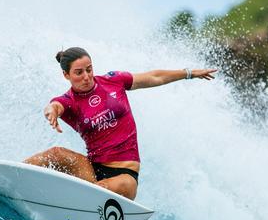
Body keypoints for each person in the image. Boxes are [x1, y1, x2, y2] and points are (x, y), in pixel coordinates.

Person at [24, 47, 216, 200]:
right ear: (66, 75)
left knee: (99, 190)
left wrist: (188, 73)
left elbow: (153, 76)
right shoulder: (69, 100)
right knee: (56, 154)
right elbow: (55, 106)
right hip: (92, 169)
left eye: (89, 69)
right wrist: (51, 111)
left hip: (125, 176)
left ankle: (74, 203)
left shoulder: (113, 81)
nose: (86, 76)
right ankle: (13, 177)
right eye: (79, 72)